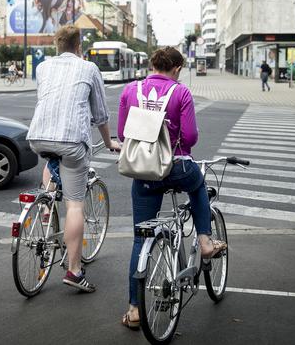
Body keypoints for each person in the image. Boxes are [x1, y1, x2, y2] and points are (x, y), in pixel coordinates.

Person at [117, 46, 226, 329]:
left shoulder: (130, 90)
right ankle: (204, 241)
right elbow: (190, 136)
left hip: (144, 172)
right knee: (199, 182)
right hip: (177, 167)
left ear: (153, 65)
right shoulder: (181, 92)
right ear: (176, 68)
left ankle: (134, 310)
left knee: (140, 239)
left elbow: (121, 133)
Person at [27, 25, 120, 293]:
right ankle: (75, 270)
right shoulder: (89, 68)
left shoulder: (43, 67)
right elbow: (100, 115)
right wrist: (108, 141)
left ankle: (45, 208)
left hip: (38, 137)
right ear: (79, 46)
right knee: (75, 206)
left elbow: (47, 100)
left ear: (56, 45)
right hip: (70, 141)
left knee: (51, 161)